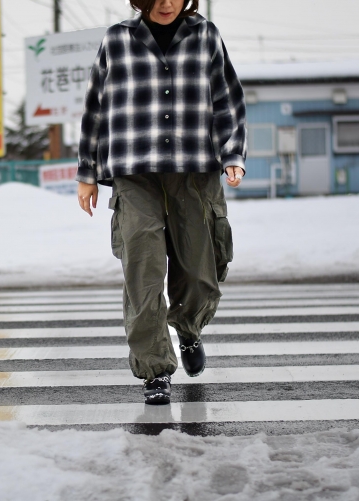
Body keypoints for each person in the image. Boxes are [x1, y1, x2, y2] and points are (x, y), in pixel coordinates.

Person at [76, 0, 246, 405]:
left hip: (194, 168)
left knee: (200, 270)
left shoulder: (205, 36)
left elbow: (226, 99)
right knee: (143, 266)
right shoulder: (118, 39)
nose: (167, 3)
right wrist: (87, 172)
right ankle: (155, 369)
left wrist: (233, 154)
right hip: (134, 171)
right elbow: (95, 107)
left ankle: (188, 329)